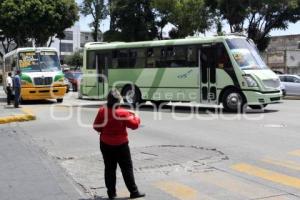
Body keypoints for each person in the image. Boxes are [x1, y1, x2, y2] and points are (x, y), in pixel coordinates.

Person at [93, 89, 145, 200]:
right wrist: (135, 115)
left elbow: (96, 126)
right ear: (119, 101)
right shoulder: (123, 113)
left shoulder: (102, 111)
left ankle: (112, 194)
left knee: (109, 169)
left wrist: (103, 130)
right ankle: (134, 192)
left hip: (106, 144)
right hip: (121, 145)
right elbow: (134, 125)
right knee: (126, 168)